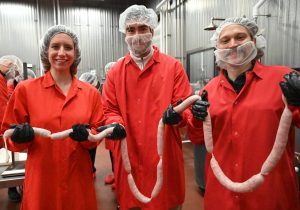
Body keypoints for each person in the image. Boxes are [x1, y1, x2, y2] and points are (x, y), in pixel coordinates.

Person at [187, 17, 300, 210]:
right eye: (225, 40)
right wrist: (196, 120)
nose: (232, 44)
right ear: (218, 47)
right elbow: (197, 138)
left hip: (270, 194)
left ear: (254, 42)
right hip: (222, 194)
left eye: (240, 37)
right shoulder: (210, 89)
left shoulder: (282, 79)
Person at [0, 25, 107, 210]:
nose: (61, 52)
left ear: (76, 52)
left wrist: (88, 136)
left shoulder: (90, 94)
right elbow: (7, 136)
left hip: (78, 179)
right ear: (46, 52)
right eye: (55, 46)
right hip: (41, 182)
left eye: (68, 47)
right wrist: (19, 138)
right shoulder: (26, 90)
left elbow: (97, 134)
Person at [101, 5, 194, 210]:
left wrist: (177, 116)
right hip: (129, 155)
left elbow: (185, 106)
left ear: (152, 30)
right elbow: (109, 110)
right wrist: (115, 124)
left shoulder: (173, 67)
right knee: (132, 200)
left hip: (165, 154)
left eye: (142, 28)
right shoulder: (115, 73)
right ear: (124, 33)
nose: (137, 35)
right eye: (131, 30)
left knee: (166, 202)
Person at [0, 55, 23, 203]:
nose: (13, 76)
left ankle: (13, 187)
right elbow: (2, 107)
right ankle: (12, 187)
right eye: (14, 72)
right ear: (10, 65)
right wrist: (6, 129)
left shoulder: (3, 80)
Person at [78, 72, 101, 178]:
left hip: (91, 128)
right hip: (79, 127)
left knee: (91, 150)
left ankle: (91, 169)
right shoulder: (77, 92)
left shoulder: (94, 94)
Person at [102, 61, 117, 189]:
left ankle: (120, 178)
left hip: (119, 125)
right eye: (107, 70)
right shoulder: (105, 85)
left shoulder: (121, 83)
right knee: (112, 153)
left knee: (121, 154)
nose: (108, 72)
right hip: (108, 123)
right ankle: (115, 174)